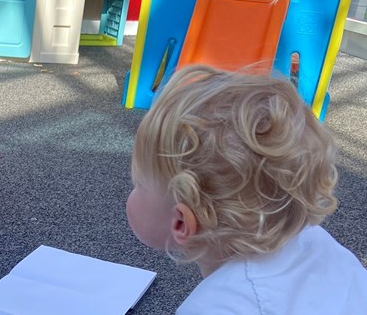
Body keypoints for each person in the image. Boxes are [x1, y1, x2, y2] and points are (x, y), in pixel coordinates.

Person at [126, 64, 367, 314]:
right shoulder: (314, 240)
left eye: (139, 184)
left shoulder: (218, 306)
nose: (132, 192)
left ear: (181, 224)